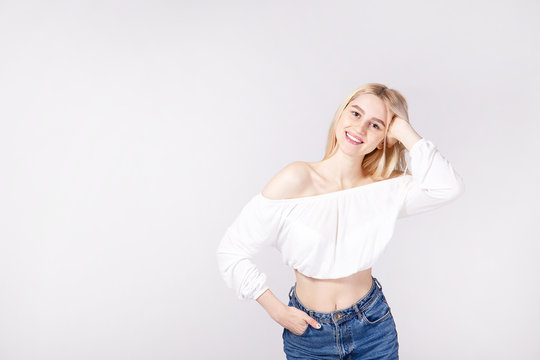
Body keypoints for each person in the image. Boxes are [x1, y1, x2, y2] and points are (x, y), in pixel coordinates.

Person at [216, 83, 465, 359]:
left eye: (375, 125)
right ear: (341, 114)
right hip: (310, 336)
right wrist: (277, 311)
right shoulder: (297, 178)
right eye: (356, 114)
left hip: (372, 328)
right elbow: (232, 251)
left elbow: (447, 187)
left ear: (385, 138)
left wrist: (403, 130)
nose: (359, 129)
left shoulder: (385, 189)